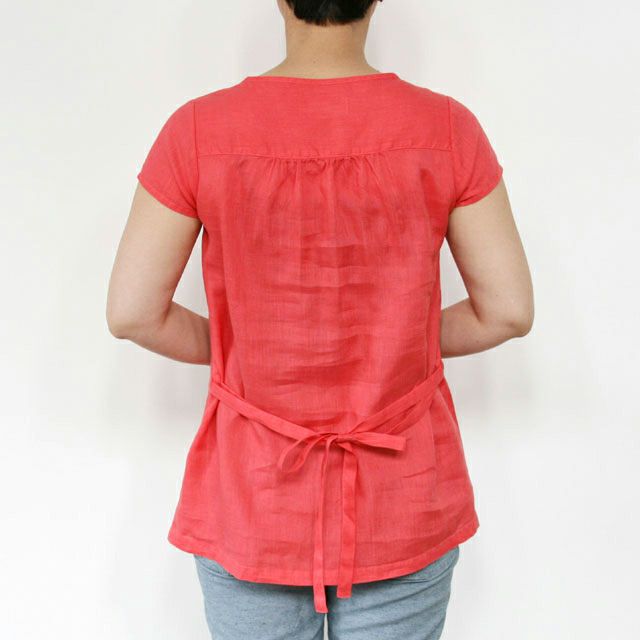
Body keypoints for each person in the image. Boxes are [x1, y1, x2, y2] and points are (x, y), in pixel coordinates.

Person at [106, 0, 534, 637]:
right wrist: (400, 335)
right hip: (403, 498)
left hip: (254, 499)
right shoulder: (447, 129)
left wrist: (244, 345)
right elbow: (508, 311)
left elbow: (133, 313)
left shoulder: (198, 130)